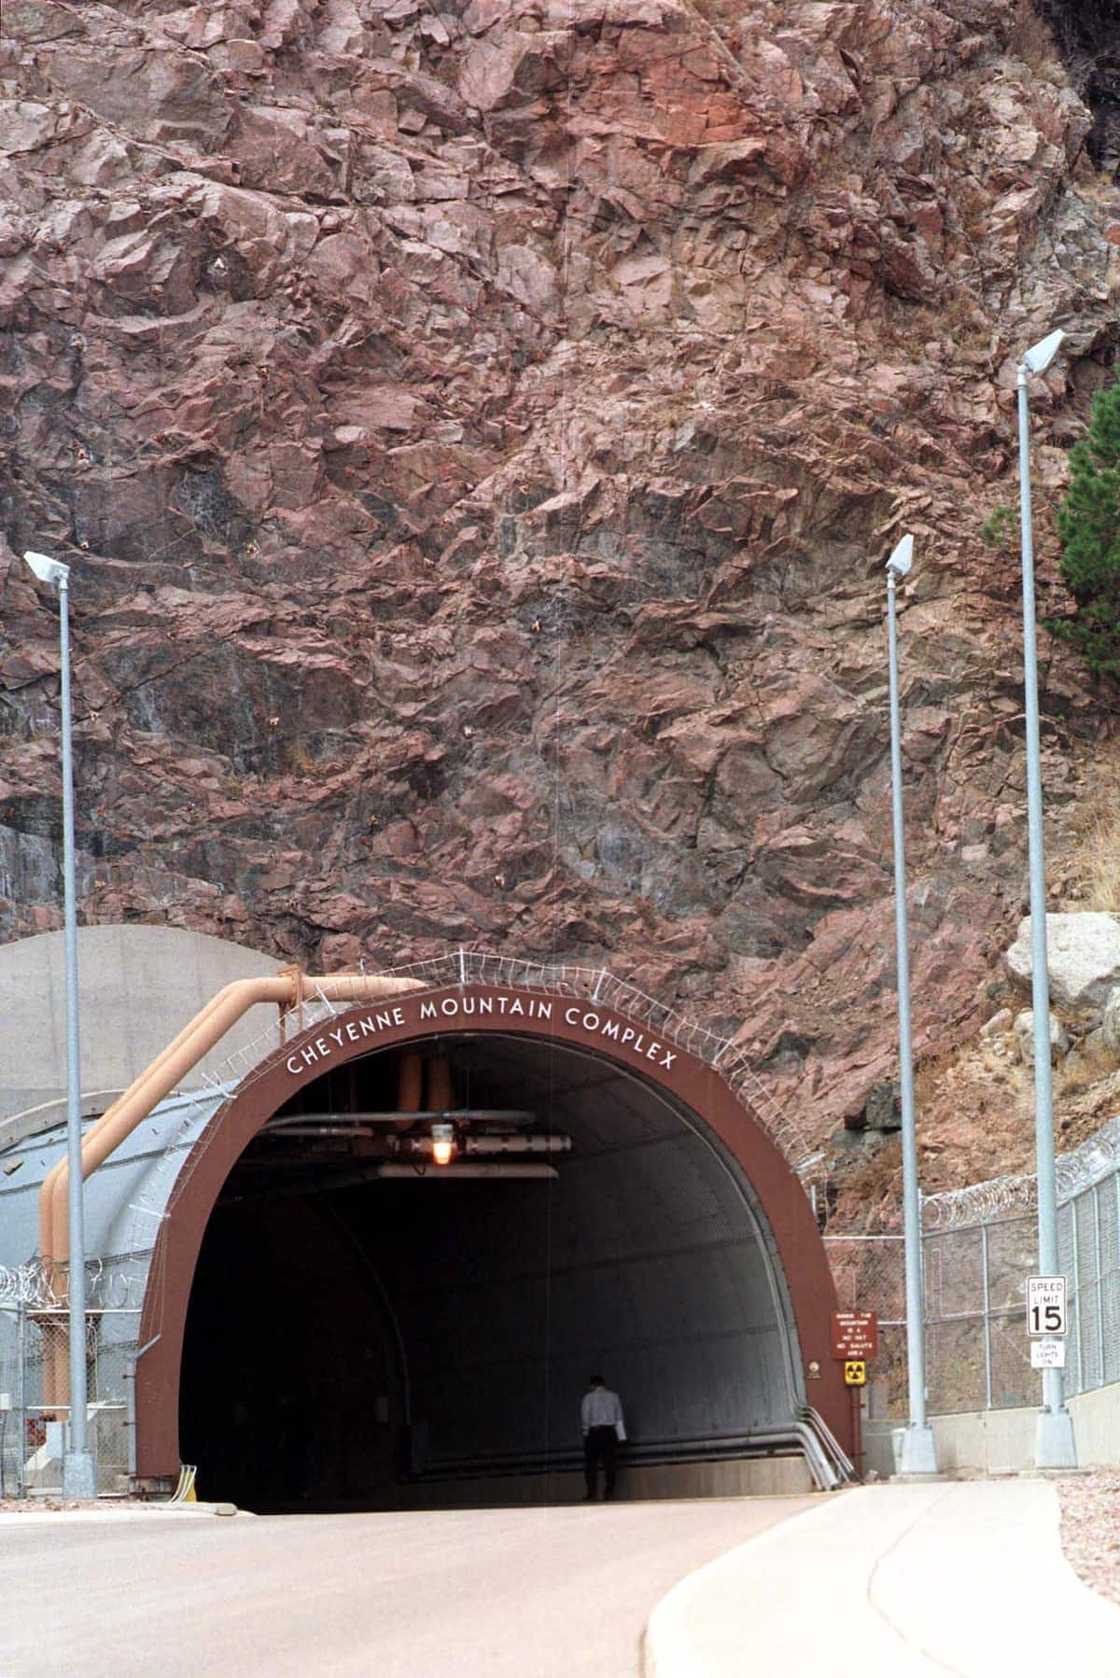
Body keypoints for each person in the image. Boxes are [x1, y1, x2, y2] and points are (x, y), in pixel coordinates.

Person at [580, 1373, 625, 1500]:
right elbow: (619, 1418)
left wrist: (585, 1433)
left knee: (590, 1465)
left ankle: (591, 1493)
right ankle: (609, 1492)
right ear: (603, 1384)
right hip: (610, 1432)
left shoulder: (588, 1398)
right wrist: (621, 1437)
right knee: (610, 1464)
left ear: (592, 1385)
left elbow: (585, 1417)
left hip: (594, 1433)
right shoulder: (614, 1397)